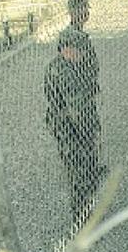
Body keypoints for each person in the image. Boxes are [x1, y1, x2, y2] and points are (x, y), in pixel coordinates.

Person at [45, 15, 105, 227]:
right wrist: (89, 134)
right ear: (67, 48)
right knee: (79, 173)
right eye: (79, 50)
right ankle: (82, 218)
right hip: (71, 130)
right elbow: (76, 107)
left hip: (79, 126)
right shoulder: (62, 70)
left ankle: (88, 211)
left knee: (87, 169)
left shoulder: (70, 66)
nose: (82, 54)